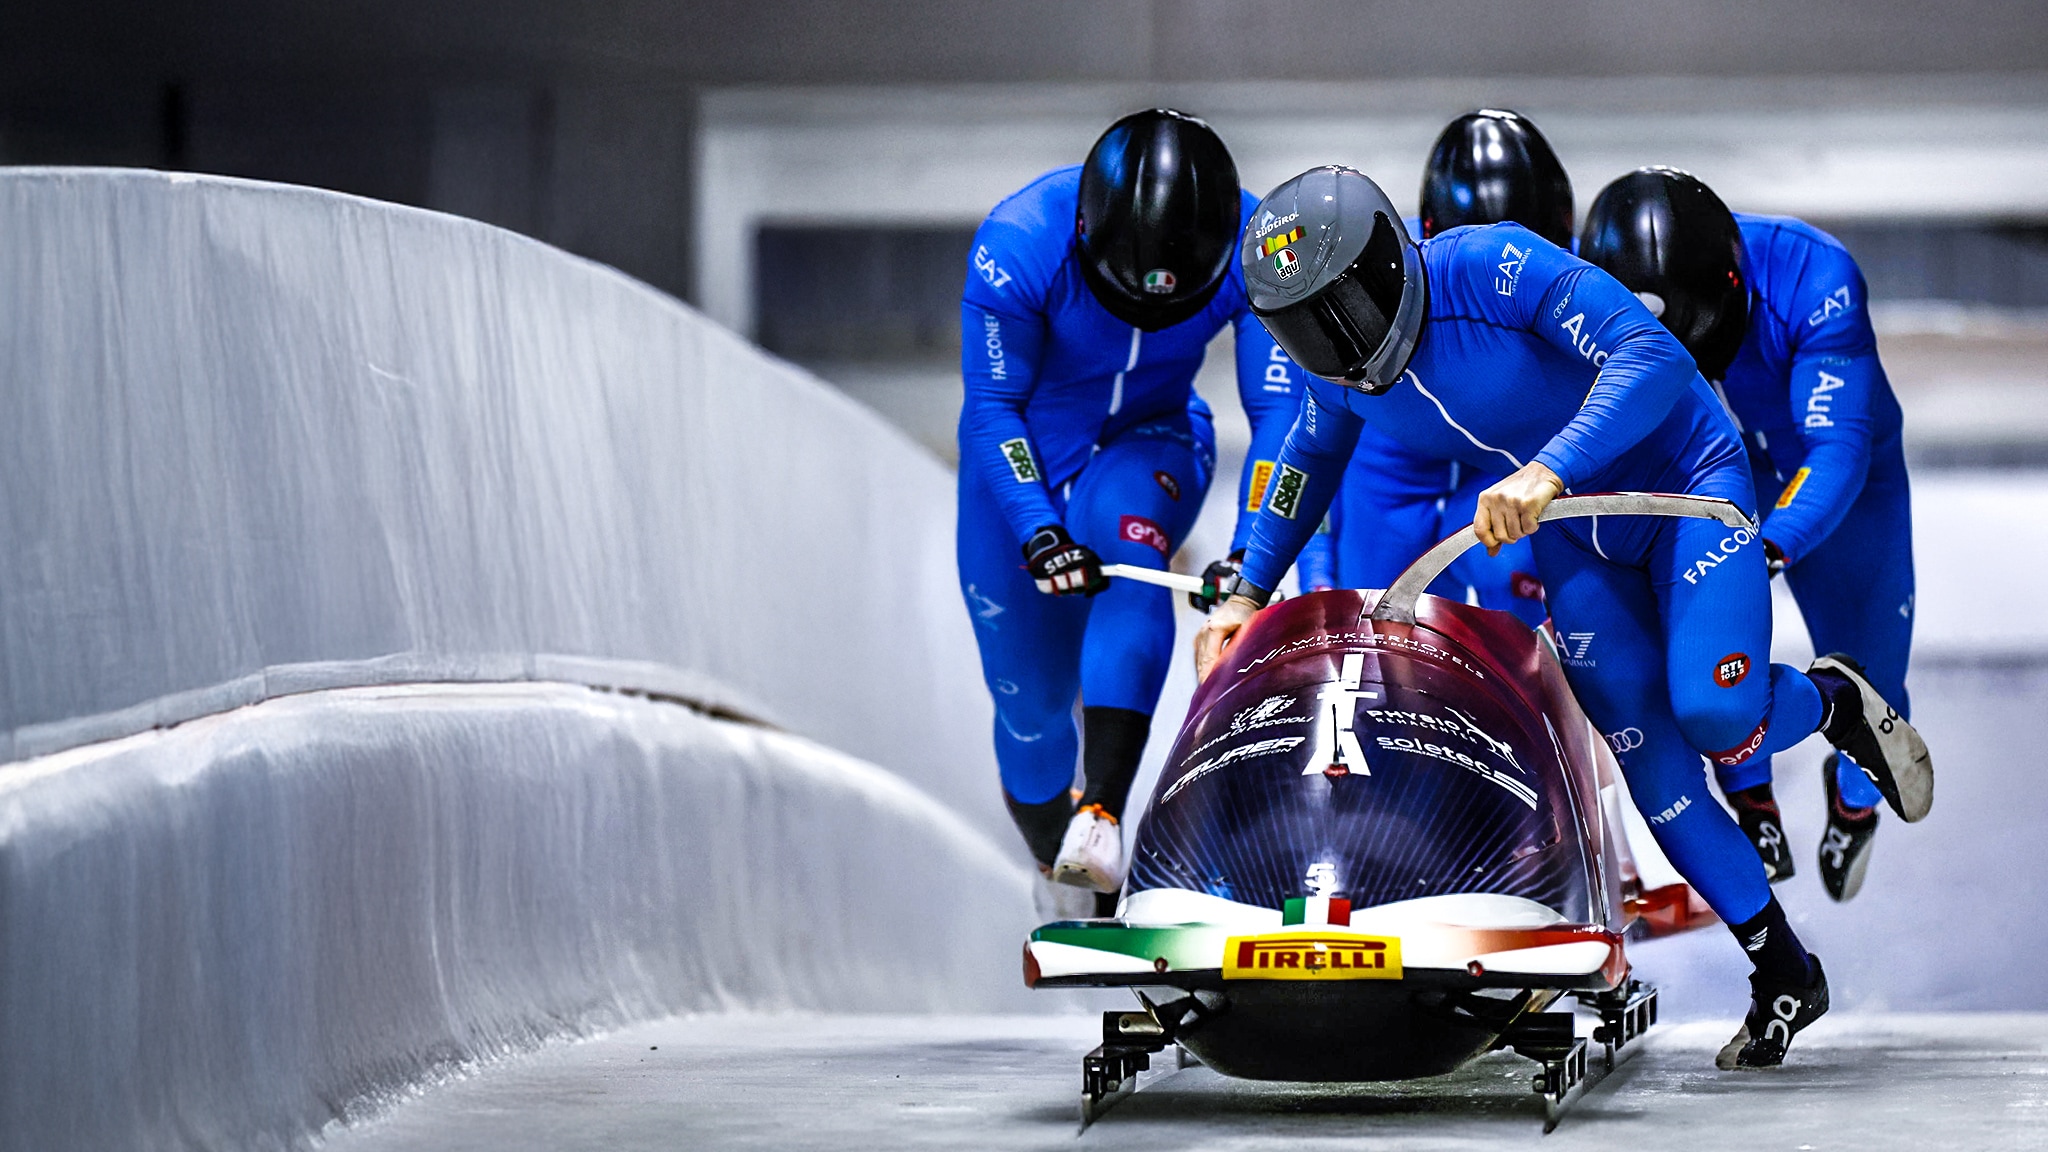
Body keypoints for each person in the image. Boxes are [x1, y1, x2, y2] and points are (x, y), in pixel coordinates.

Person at [1193, 165, 1933, 1068]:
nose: (1334, 346)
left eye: (1339, 314)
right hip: (1579, 535)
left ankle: (1836, 703)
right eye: (1303, 329)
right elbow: (1301, 463)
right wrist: (1244, 595)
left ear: (1387, 265)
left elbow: (1652, 355)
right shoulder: (1337, 377)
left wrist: (1549, 470)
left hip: (1687, 491)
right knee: (1652, 764)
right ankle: (1783, 969)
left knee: (1715, 714)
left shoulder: (1494, 265)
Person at [957, 109, 1307, 915]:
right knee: (1032, 706)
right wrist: (1037, 530)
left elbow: (1282, 418)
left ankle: (1104, 813)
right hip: (1025, 449)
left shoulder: (1264, 250)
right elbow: (993, 407)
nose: (1144, 317)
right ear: (1085, 233)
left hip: (1155, 433)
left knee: (1131, 548)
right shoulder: (1016, 246)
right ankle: (1059, 850)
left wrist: (1253, 553)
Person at [1579, 168, 1913, 902]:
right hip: (1711, 466)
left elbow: (1836, 452)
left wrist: (1768, 546)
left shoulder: (1814, 276)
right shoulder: (1586, 288)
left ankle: (1853, 799)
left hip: (1825, 465)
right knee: (1710, 662)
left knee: (1876, 681)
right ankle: (1751, 797)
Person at [1296, 110, 1564, 626]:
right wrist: (1319, 576)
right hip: (1393, 460)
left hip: (1514, 454)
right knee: (1369, 618)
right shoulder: (1370, 282)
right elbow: (1313, 442)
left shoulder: (1568, 279)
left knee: (1516, 572)